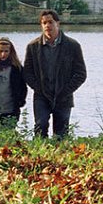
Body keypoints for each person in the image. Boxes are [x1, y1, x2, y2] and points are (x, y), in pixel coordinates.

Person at [23, 9, 87, 139]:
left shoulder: (72, 46)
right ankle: (39, 156)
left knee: (61, 133)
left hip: (63, 96)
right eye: (44, 23)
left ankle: (60, 156)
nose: (47, 26)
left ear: (58, 23)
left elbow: (81, 73)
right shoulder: (33, 47)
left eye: (50, 22)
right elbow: (27, 72)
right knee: (40, 126)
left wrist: (66, 90)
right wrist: (38, 88)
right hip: (42, 96)